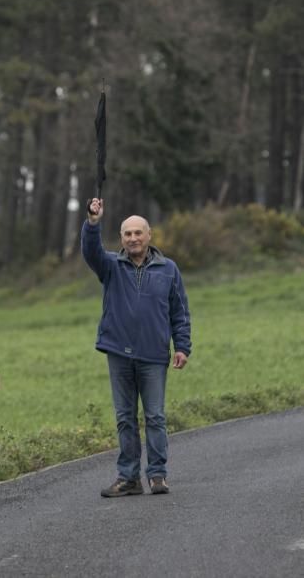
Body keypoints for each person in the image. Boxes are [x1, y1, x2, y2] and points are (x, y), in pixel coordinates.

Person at [81, 197, 191, 497]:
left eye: (137, 233)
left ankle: (157, 475)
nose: (132, 238)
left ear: (149, 235)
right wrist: (92, 223)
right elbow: (90, 251)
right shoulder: (111, 266)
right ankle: (128, 478)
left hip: (154, 355)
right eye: (127, 234)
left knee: (155, 416)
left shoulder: (168, 269)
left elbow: (179, 311)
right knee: (125, 417)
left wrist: (182, 346)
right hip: (119, 354)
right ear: (121, 238)